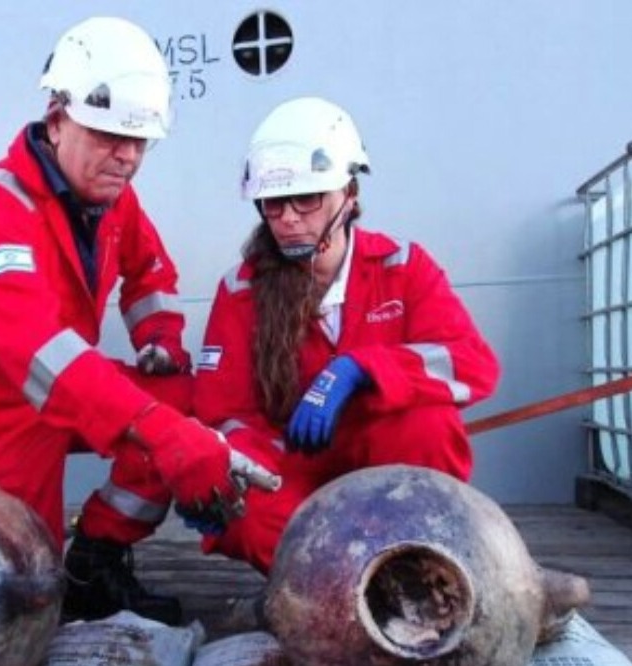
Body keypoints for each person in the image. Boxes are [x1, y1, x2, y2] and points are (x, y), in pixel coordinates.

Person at [0, 16, 246, 625]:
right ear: (57, 118)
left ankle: (96, 558)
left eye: (140, 141)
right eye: (110, 136)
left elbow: (150, 272)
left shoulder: (112, 196)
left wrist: (160, 342)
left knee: (181, 398)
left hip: (69, 388)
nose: (128, 157)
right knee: (26, 589)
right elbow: (38, 352)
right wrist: (158, 430)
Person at [193, 96, 501, 577]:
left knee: (430, 424)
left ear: (349, 194)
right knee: (243, 506)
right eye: (274, 202)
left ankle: (412, 564)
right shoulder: (241, 290)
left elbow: (473, 365)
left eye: (307, 198)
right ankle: (359, 585)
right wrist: (251, 466)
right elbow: (222, 411)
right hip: (294, 469)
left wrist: (360, 369)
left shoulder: (402, 267)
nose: (288, 217)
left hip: (384, 463)